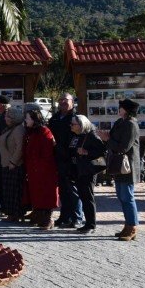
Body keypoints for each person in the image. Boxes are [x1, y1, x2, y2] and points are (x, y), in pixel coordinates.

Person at [100, 98, 141, 241]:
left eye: (121, 107)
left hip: (127, 166)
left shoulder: (131, 125)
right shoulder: (119, 122)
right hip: (117, 165)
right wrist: (106, 137)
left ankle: (133, 227)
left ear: (127, 110)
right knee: (121, 197)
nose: (118, 109)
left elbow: (124, 147)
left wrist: (107, 139)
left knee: (127, 197)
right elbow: (112, 140)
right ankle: (127, 225)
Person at [49, 93, 84, 228]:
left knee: (73, 190)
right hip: (58, 158)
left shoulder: (76, 118)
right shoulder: (55, 118)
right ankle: (64, 217)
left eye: (66, 99)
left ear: (72, 102)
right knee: (63, 190)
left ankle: (77, 217)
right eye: (61, 99)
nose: (63, 102)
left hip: (70, 158)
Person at [68, 115, 106, 234]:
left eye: (73, 124)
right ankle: (87, 223)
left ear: (81, 125)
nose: (71, 126)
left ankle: (91, 224)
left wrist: (86, 152)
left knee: (88, 197)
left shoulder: (92, 135)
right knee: (83, 197)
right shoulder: (78, 135)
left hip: (88, 171)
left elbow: (102, 152)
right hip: (79, 170)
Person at [24, 109, 59, 230]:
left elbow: (47, 153)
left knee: (46, 194)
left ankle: (48, 219)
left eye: (28, 118)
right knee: (36, 193)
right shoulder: (32, 132)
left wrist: (38, 167)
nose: (26, 120)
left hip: (44, 170)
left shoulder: (45, 131)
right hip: (34, 170)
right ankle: (39, 216)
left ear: (34, 120)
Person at [0, 107, 26, 222]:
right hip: (7, 163)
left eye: (8, 116)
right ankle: (11, 213)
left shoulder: (19, 129)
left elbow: (20, 147)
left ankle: (15, 214)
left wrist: (13, 162)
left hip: (14, 165)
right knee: (8, 191)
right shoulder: (10, 128)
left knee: (14, 191)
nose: (5, 118)